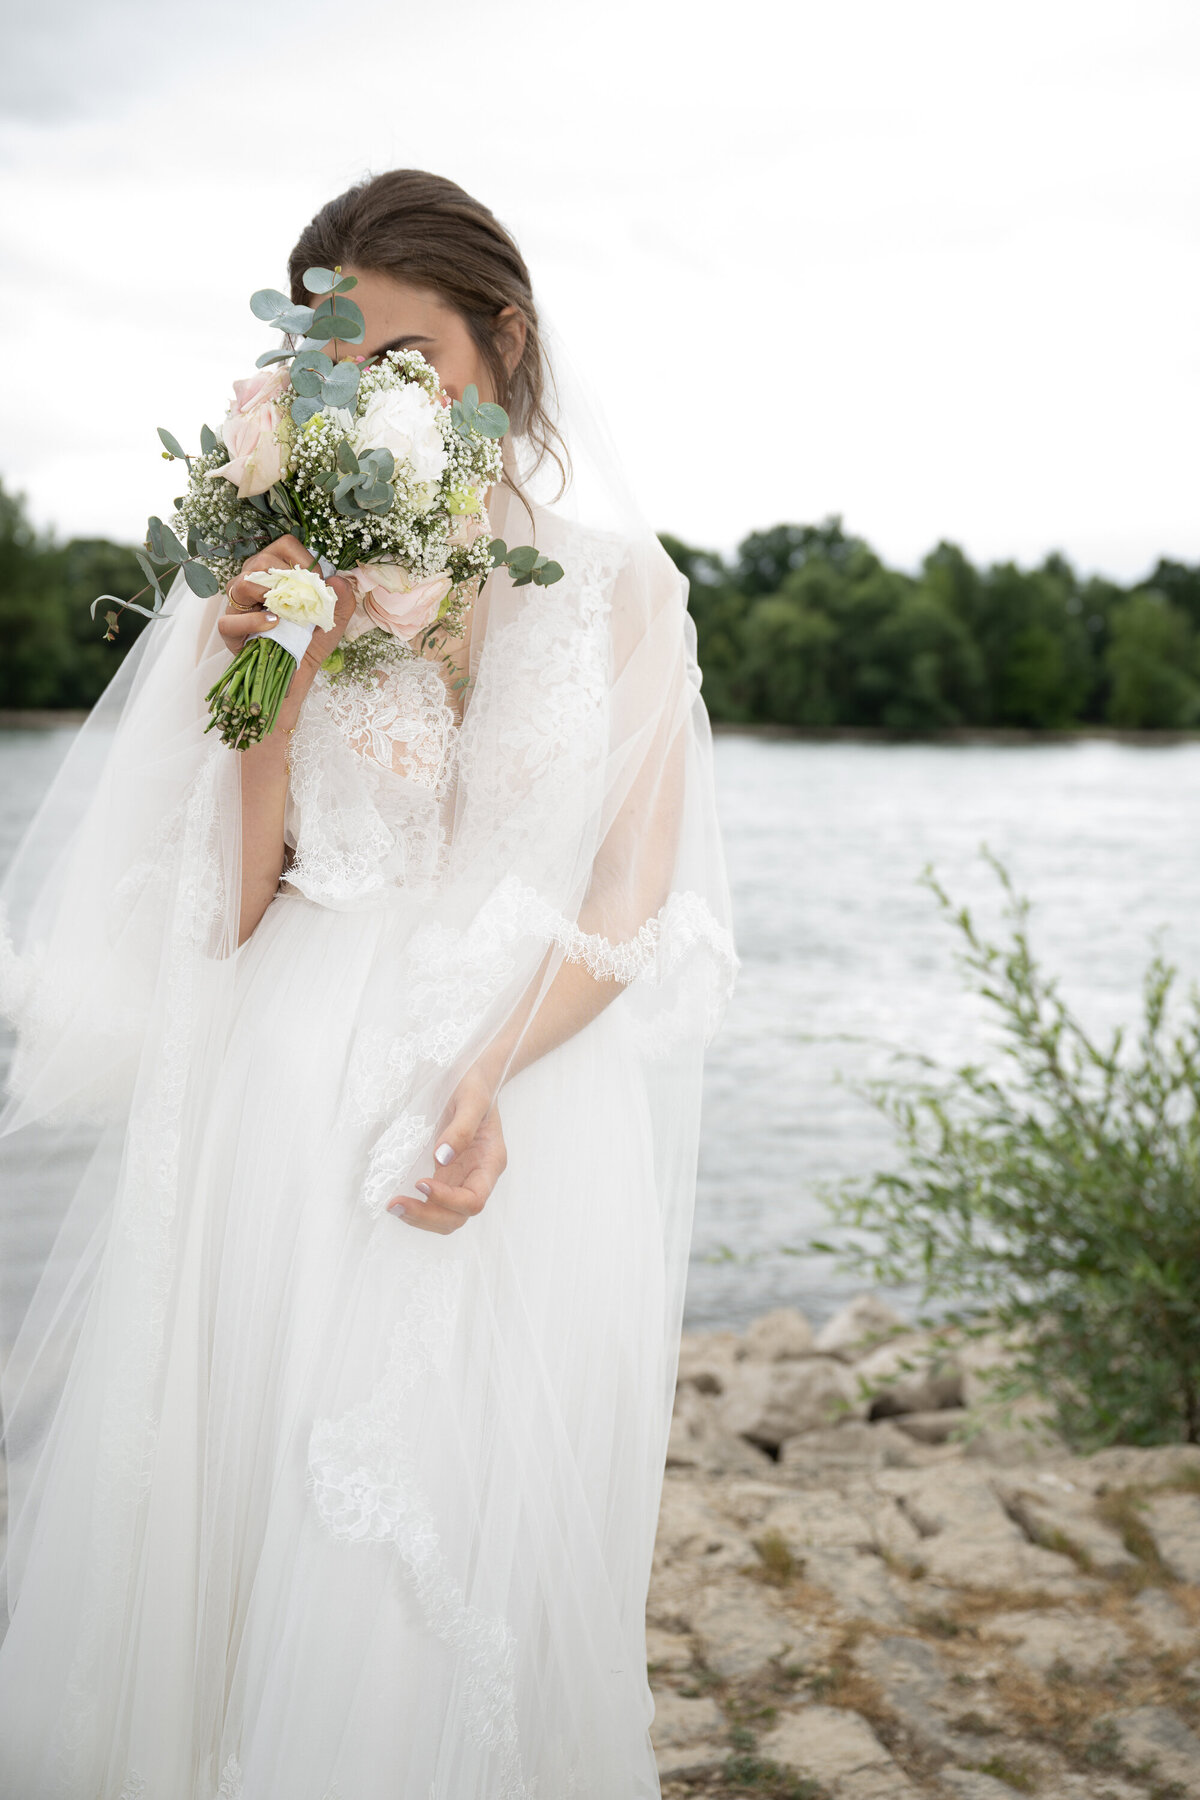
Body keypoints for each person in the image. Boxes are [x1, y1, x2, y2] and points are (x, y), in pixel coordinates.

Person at [0, 169, 737, 1798]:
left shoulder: (625, 591)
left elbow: (632, 889)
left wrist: (488, 1073)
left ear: (506, 343)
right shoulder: (277, 579)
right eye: (339, 367)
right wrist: (267, 705)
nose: (375, 398)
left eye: (410, 357)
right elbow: (232, 911)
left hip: (522, 1090)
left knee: (465, 1528)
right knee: (268, 1517)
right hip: (291, 1080)